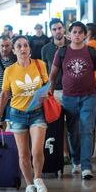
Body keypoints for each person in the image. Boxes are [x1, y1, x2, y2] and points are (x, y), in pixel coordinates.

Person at [48, 22, 96, 180]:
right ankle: (76, 160)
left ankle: (86, 166)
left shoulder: (92, 52)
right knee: (72, 132)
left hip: (89, 97)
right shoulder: (62, 52)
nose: (77, 35)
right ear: (70, 34)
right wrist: (48, 94)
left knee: (87, 130)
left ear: (85, 35)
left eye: (80, 32)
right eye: (74, 32)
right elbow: (53, 76)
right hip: (68, 98)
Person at [0, 36, 48, 192]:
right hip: (17, 115)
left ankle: (38, 178)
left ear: (29, 49)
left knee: (37, 150)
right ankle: (29, 184)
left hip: (37, 113)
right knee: (23, 153)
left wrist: (46, 93)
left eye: (25, 46)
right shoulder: (9, 71)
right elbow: (4, 94)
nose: (23, 49)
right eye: (19, 46)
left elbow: (46, 85)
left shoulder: (40, 65)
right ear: (14, 50)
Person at [41, 18, 71, 163]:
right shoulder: (46, 49)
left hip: (72, 91)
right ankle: (63, 153)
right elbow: (44, 72)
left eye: (59, 28)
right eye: (54, 29)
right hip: (54, 92)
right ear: (51, 31)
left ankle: (75, 154)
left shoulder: (73, 45)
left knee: (74, 124)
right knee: (58, 125)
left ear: (64, 29)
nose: (57, 31)